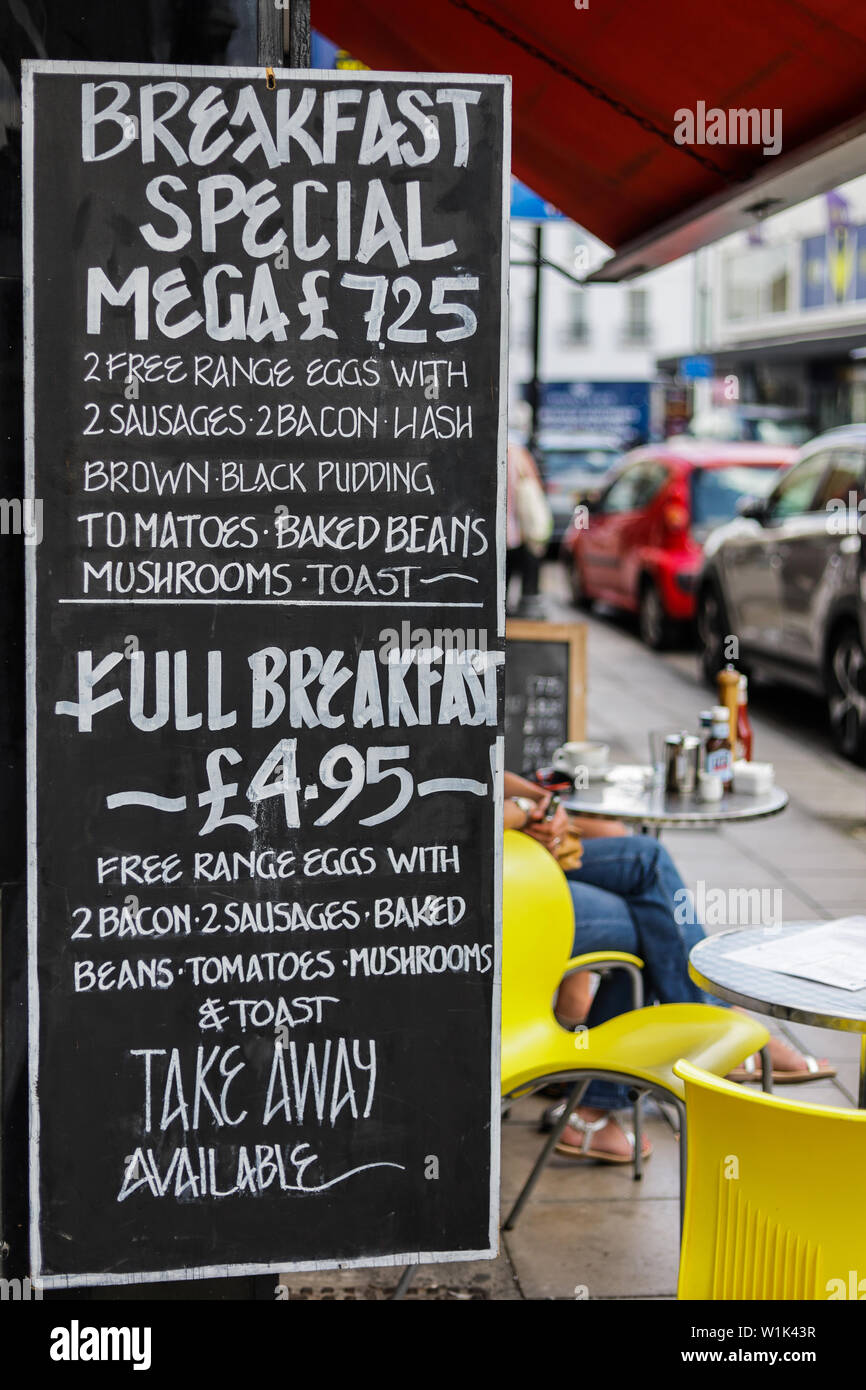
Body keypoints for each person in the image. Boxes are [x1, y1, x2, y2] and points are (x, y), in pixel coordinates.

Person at [504, 771, 833, 1163]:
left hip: (517, 851)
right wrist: (524, 811)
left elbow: (481, 771)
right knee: (655, 919)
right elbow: (449, 809)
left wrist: (540, 802)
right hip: (487, 885)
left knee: (648, 864)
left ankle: (594, 1112)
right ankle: (713, 1031)